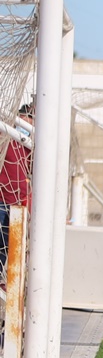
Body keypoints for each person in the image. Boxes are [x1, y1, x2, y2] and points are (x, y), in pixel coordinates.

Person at [0, 103, 34, 280]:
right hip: (2, 201)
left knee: (11, 248)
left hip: (18, 204)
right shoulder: (5, 139)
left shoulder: (30, 147)